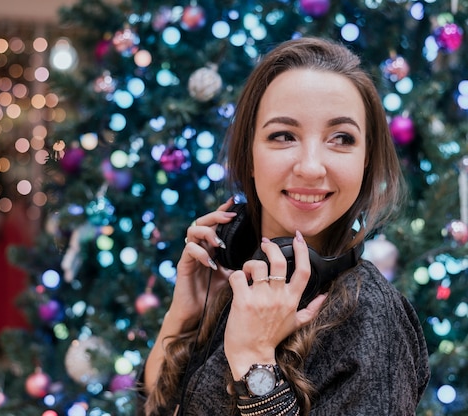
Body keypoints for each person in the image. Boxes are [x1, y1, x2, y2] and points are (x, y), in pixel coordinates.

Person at [138, 37, 430, 415]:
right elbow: (153, 406)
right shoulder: (240, 275)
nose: (310, 167)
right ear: (249, 152)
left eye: (341, 138)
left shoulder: (370, 316)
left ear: (366, 161)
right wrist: (183, 317)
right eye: (283, 136)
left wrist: (254, 361)